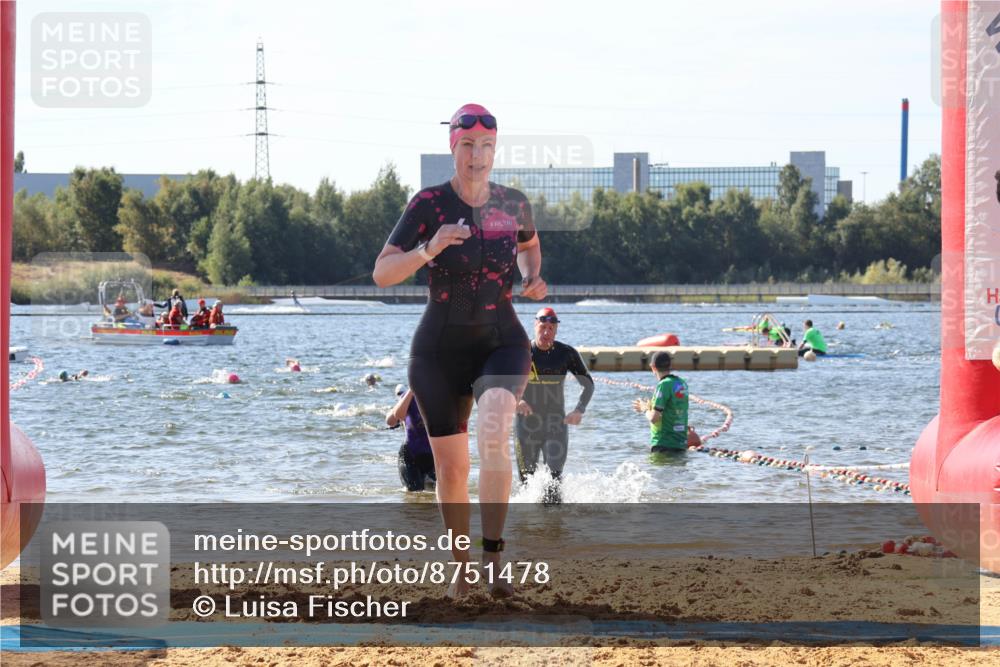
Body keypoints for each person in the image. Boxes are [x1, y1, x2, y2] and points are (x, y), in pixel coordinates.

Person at [372, 103, 546, 598]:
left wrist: (533, 277)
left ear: (496, 149)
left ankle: (493, 560)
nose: (478, 156)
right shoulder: (428, 204)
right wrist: (429, 249)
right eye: (468, 145)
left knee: (494, 428)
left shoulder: (513, 204)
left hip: (503, 342)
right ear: (454, 147)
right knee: (452, 468)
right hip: (438, 350)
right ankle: (462, 567)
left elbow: (530, 245)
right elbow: (382, 272)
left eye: (487, 146)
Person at [515, 307, 594, 503]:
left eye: (551, 328)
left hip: (555, 424)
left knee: (554, 483)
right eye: (543, 326)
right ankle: (528, 531)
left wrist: (579, 410)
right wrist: (516, 400)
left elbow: (588, 384)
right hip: (526, 425)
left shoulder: (566, 353)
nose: (546, 332)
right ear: (535, 325)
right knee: (527, 482)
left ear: (556, 330)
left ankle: (554, 529)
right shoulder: (522, 352)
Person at [632, 351, 690, 453]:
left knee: (657, 468)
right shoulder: (681, 383)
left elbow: (654, 418)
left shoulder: (663, 385)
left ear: (653, 367)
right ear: (670, 365)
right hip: (680, 443)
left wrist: (644, 408)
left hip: (663, 444)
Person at [387, 385, 436, 492]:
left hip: (434, 456)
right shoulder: (408, 397)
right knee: (415, 493)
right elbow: (391, 421)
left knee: (434, 493)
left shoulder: (440, 397)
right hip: (410, 456)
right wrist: (411, 390)